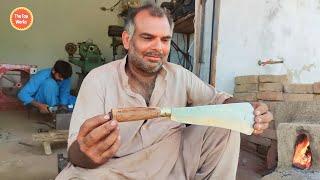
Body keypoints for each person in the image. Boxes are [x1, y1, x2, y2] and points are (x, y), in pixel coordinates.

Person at [56, 4, 273, 180]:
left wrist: (248, 109)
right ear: (127, 40)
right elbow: (76, 153)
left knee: (227, 123)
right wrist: (86, 153)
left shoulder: (179, 75)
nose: (158, 48)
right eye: (148, 38)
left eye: (165, 40)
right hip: (114, 171)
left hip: (171, 168)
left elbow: (220, 100)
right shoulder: (98, 79)